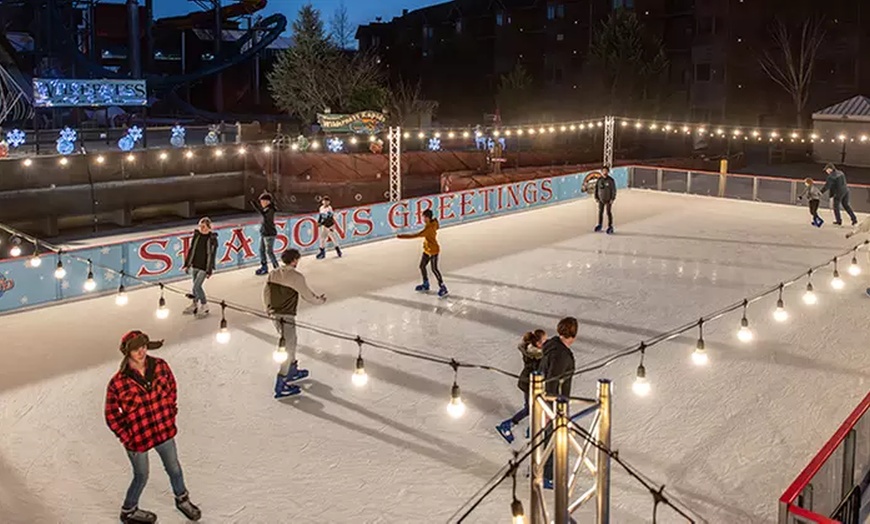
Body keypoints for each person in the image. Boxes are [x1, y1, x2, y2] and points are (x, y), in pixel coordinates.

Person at [105, 331, 201, 523]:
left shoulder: (161, 367)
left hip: (163, 430)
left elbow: (172, 389)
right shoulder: (119, 382)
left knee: (174, 468)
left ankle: (182, 499)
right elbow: (111, 414)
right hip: (138, 437)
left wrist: (169, 412)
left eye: (143, 346)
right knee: (141, 475)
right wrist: (127, 436)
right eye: (135, 348)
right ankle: (128, 510)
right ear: (127, 352)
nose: (141, 351)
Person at [264, 248, 327, 398]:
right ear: (294, 260)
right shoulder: (296, 277)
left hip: (274, 313)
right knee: (289, 346)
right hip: (286, 315)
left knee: (290, 341)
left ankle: (292, 370)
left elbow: (266, 292)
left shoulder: (273, 273)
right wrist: (320, 300)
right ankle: (281, 383)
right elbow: (307, 295)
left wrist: (268, 309)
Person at [539, 317, 578, 488]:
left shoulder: (553, 347)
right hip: (555, 402)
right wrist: (550, 407)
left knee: (550, 437)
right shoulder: (561, 354)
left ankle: (542, 470)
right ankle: (547, 475)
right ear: (574, 334)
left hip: (550, 399)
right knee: (553, 438)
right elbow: (552, 380)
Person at [495, 329, 547, 444]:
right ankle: (507, 425)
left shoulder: (534, 351)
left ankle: (530, 430)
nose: (546, 343)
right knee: (532, 408)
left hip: (530, 383)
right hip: (529, 383)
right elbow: (538, 368)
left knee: (534, 408)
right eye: (544, 341)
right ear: (538, 343)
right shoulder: (536, 354)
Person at [397, 209, 448, 297]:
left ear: (428, 218)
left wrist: (402, 236)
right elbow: (436, 224)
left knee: (434, 269)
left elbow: (416, 235)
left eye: (424, 217)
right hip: (427, 250)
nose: (423, 219)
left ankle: (443, 287)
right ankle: (426, 284)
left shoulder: (429, 228)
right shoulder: (432, 223)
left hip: (433, 250)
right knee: (422, 266)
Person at [181, 217, 218, 318]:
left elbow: (212, 255)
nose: (202, 228)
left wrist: (209, 269)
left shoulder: (212, 240)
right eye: (201, 226)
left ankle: (204, 304)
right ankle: (194, 303)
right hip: (195, 264)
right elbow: (191, 250)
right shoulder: (196, 236)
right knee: (195, 285)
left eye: (204, 227)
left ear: (209, 227)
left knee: (197, 286)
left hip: (204, 267)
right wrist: (187, 264)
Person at [253, 192, 279, 275]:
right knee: (261, 250)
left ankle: (277, 268)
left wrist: (257, 207)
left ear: (267, 201)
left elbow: (267, 219)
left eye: (262, 201)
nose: (261, 203)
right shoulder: (266, 210)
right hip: (264, 233)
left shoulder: (270, 210)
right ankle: (264, 266)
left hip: (269, 234)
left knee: (269, 251)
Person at [594, 167, 617, 234]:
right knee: (600, 212)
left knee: (608, 212)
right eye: (603, 171)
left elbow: (613, 190)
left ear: (608, 172)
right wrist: (596, 197)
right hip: (601, 199)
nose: (605, 172)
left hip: (608, 199)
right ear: (601, 172)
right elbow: (596, 189)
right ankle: (600, 224)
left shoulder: (611, 180)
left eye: (606, 171)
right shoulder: (599, 180)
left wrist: (612, 198)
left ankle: (610, 226)